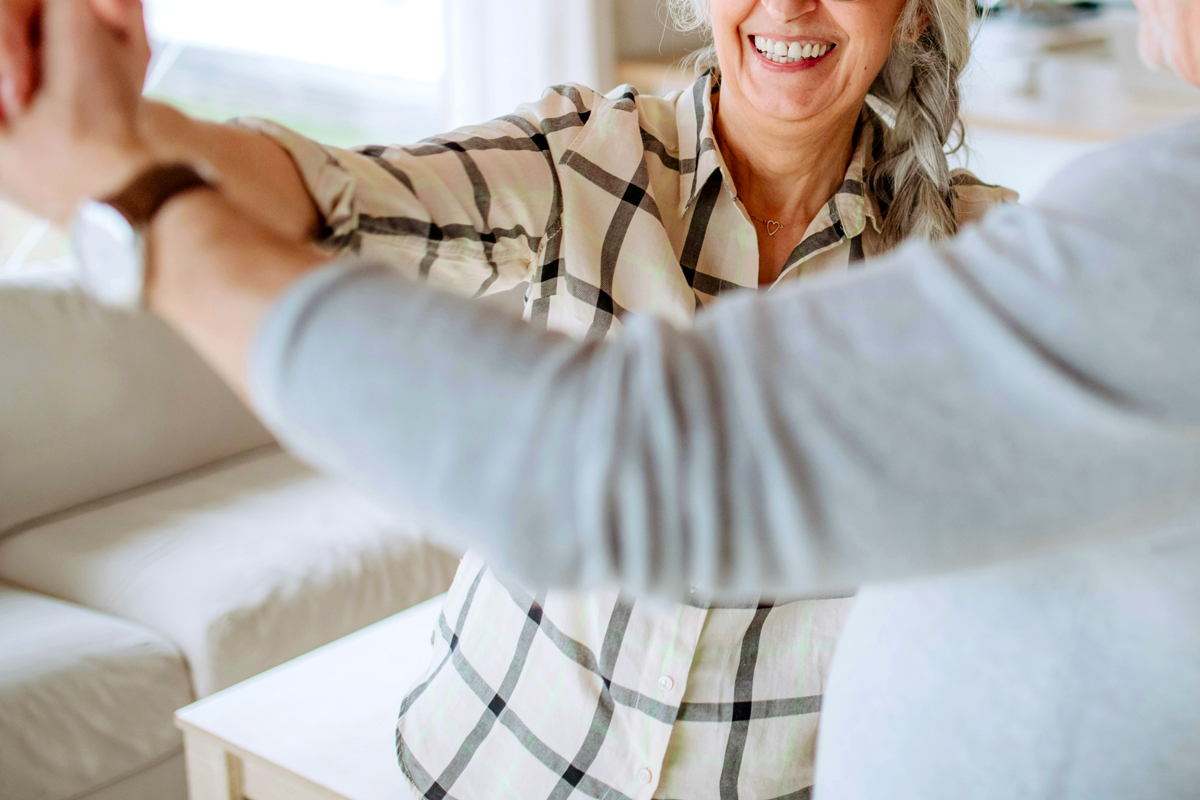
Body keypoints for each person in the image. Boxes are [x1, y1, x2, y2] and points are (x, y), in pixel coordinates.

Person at [3, 0, 1200, 799]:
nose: (789, 5)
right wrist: (111, 127)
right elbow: (335, 192)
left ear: (916, 10)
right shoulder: (587, 152)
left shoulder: (981, 266)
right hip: (490, 766)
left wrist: (120, 175)